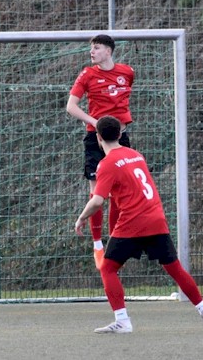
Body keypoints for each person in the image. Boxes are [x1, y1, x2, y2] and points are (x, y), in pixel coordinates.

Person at [74, 116, 203, 334]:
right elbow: (121, 196)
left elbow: (97, 200)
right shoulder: (136, 156)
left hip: (134, 222)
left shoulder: (106, 164)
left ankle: (122, 320)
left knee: (108, 268)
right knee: (175, 268)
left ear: (98, 137)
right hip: (156, 218)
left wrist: (81, 218)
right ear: (120, 134)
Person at [66, 34, 135, 269]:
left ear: (108, 51)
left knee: (120, 192)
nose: (91, 52)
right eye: (91, 48)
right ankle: (97, 244)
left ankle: (115, 241)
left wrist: (119, 125)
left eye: (96, 48)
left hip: (120, 138)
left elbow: (124, 102)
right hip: (95, 138)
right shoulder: (88, 74)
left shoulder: (127, 72)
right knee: (97, 193)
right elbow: (71, 106)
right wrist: (96, 123)